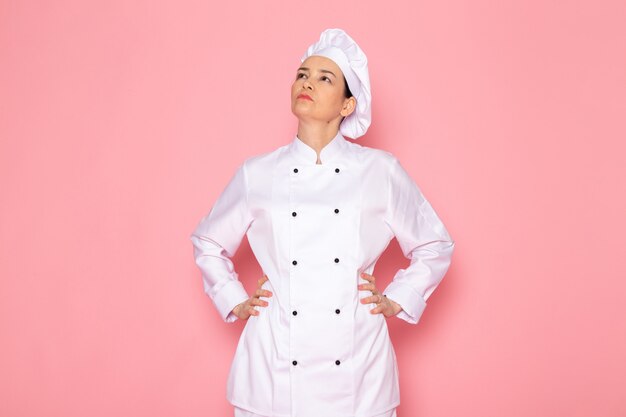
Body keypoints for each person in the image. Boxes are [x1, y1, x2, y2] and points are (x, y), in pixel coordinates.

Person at [190, 28, 455, 417]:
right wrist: (234, 299)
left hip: (357, 370)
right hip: (273, 368)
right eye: (302, 74)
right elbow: (208, 242)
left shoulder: (380, 171)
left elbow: (434, 244)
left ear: (348, 105)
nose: (307, 83)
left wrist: (400, 297)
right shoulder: (257, 173)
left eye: (324, 78)